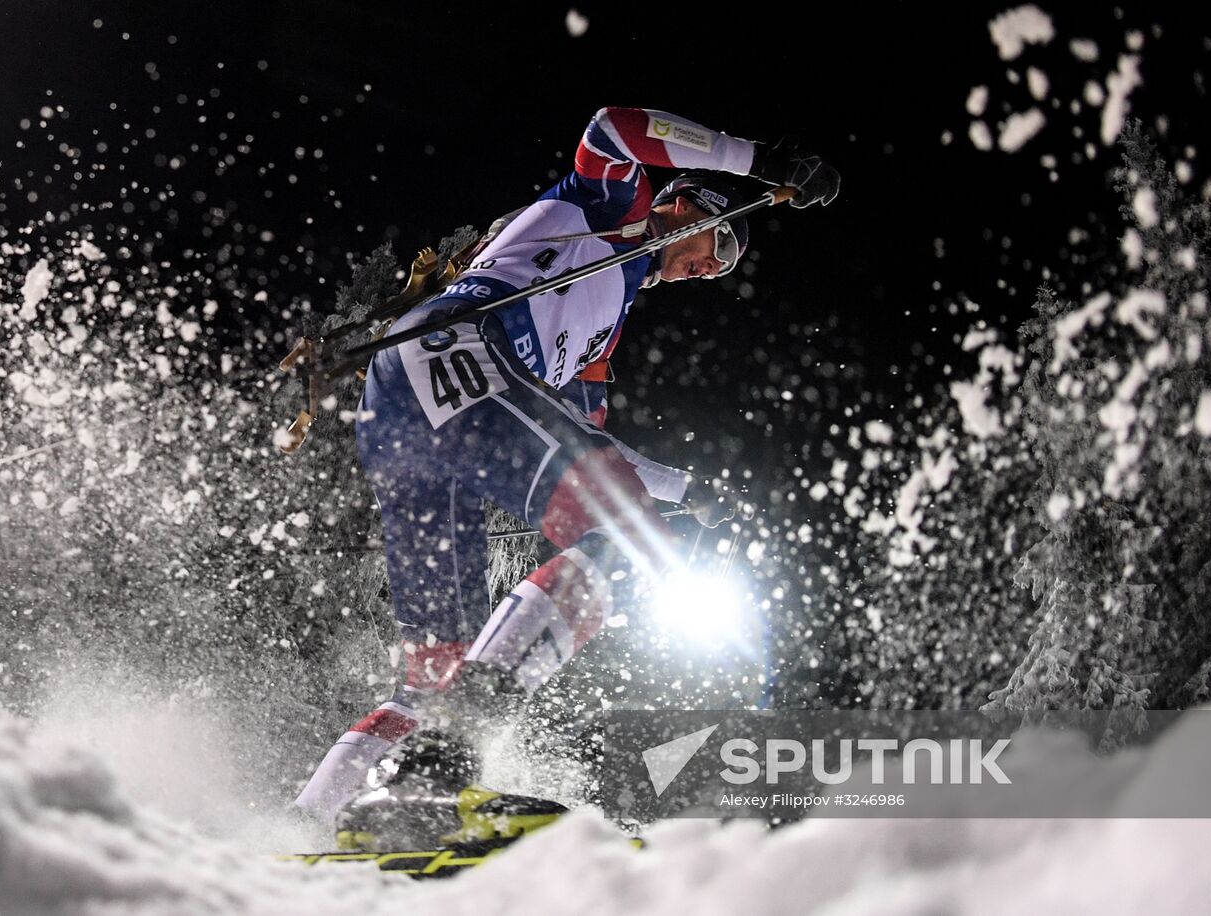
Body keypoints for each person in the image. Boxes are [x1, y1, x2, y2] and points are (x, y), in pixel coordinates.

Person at [295, 106, 839, 844]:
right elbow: (614, 128)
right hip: (454, 357)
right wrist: (760, 160)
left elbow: (589, 444)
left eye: (727, 266)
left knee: (432, 674)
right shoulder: (610, 212)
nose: (712, 267)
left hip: (407, 414)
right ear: (686, 204)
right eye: (722, 243)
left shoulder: (598, 337)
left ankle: (308, 826)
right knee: (623, 537)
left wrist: (689, 492)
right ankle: (436, 774)